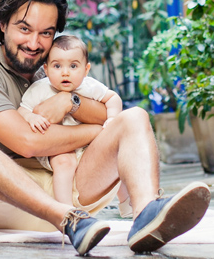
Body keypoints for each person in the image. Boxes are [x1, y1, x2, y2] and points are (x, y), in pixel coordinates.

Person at [0, 0, 210, 256]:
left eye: (46, 33)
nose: (34, 43)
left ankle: (145, 215)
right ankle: (66, 218)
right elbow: (27, 142)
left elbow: (107, 112)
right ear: (2, 24)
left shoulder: (54, 65)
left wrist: (70, 101)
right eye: (24, 29)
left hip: (67, 186)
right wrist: (98, 131)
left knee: (134, 117)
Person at [17, 34, 133, 218]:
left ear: (86, 69)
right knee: (65, 162)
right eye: (57, 66)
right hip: (56, 147)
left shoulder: (89, 86)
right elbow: (22, 110)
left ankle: (127, 202)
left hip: (87, 146)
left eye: (73, 66)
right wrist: (30, 117)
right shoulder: (40, 89)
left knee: (116, 155)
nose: (65, 72)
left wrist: (112, 118)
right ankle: (66, 212)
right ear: (46, 69)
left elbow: (113, 98)